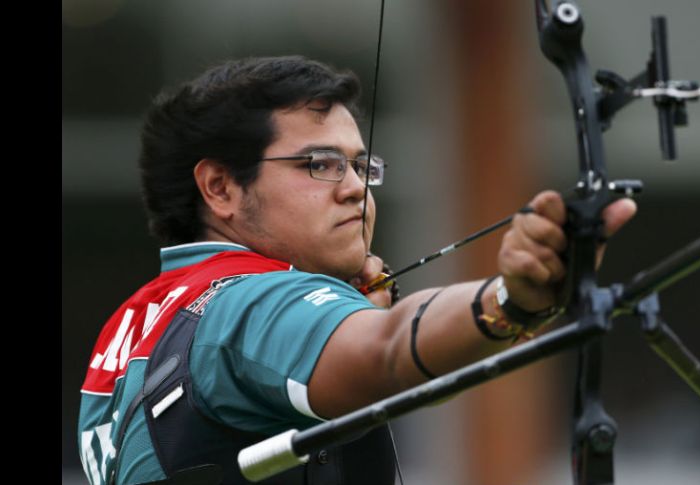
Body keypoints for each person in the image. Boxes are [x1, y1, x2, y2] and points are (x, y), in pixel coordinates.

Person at [77, 55, 636, 485]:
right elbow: (388, 348)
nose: (354, 188)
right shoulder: (247, 303)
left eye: (361, 165)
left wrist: (344, 323)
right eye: (319, 164)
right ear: (220, 188)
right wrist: (514, 300)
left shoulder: (131, 328)